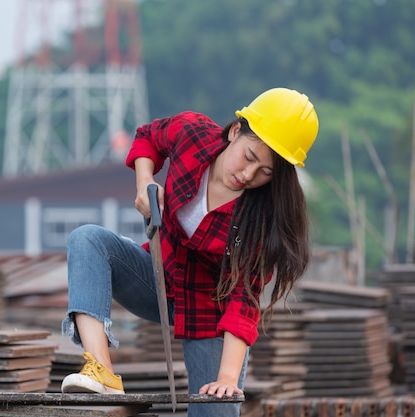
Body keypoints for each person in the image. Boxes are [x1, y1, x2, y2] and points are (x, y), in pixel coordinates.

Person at [60, 87, 319, 417]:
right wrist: (145, 182)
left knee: (216, 411)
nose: (247, 175)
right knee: (87, 240)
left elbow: (244, 300)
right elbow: (148, 137)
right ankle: (101, 371)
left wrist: (226, 379)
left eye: (265, 173)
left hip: (209, 312)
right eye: (249, 158)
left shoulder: (262, 220)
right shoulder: (192, 134)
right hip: (156, 279)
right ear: (236, 131)